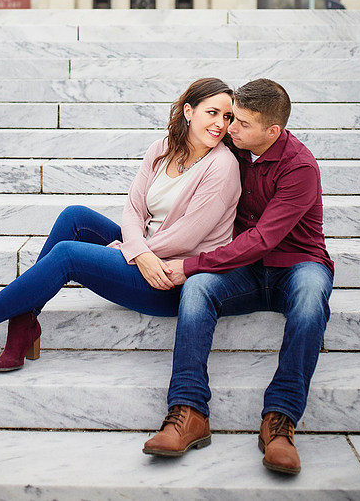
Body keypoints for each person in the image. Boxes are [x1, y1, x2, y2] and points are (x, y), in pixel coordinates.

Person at [0, 78, 241, 378]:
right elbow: (133, 209)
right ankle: (24, 323)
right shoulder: (161, 149)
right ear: (188, 111)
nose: (220, 124)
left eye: (227, 117)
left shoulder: (222, 166)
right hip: (146, 256)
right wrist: (136, 249)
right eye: (212, 112)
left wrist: (132, 251)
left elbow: (187, 236)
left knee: (68, 255)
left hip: (171, 279)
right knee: (74, 216)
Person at [143, 78, 334, 476]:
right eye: (232, 119)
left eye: (241, 123)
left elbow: (265, 238)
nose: (230, 128)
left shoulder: (300, 166)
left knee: (312, 293)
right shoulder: (235, 146)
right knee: (198, 290)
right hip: (246, 271)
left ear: (272, 131)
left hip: (297, 264)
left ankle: (279, 422)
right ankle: (189, 410)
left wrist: (192, 262)